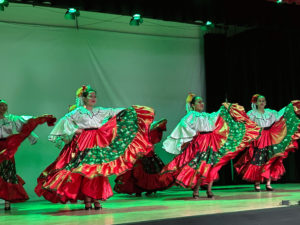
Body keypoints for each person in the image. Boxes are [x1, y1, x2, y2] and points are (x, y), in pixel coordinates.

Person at [35, 85, 155, 210]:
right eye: (90, 96)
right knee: (87, 170)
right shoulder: (78, 112)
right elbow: (64, 121)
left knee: (98, 170)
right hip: (84, 141)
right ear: (84, 98)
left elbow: (114, 111)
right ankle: (88, 200)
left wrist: (132, 111)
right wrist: (74, 130)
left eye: (94, 96)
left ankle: (96, 199)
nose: (93, 98)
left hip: (98, 141)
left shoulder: (100, 111)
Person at [161, 93, 260, 198]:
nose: (202, 103)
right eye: (199, 102)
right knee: (201, 166)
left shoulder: (207, 115)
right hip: (201, 143)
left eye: (202, 101)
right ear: (193, 105)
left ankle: (209, 190)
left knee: (214, 164)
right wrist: (184, 141)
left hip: (213, 142)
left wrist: (225, 108)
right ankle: (197, 190)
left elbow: (217, 117)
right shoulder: (191, 115)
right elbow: (184, 128)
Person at [235, 94, 300, 191]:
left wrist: (290, 106)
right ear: (256, 103)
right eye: (260, 101)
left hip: (270, 136)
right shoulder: (252, 114)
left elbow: (281, 115)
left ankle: (268, 183)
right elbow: (246, 123)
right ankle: (257, 183)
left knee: (269, 158)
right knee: (257, 159)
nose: (262, 102)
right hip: (259, 137)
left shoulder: (270, 112)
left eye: (263, 100)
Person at [0, 99, 56, 210]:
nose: (3, 108)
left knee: (7, 173)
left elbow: (26, 124)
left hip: (7, 147)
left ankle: (7, 201)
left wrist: (41, 118)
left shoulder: (11, 119)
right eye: (0, 106)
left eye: (4, 106)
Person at [114, 119, 170, 196]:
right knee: (137, 173)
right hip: (138, 154)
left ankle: (149, 189)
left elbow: (159, 125)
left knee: (148, 172)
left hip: (148, 154)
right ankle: (138, 190)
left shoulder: (149, 127)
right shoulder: (135, 130)